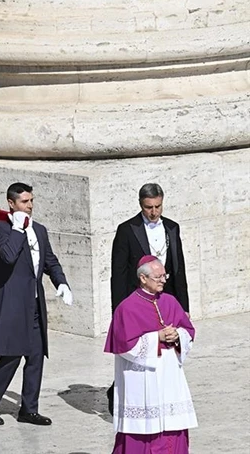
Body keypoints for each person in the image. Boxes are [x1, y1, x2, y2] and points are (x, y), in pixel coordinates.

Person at [0, 183, 73, 426]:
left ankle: (29, 409)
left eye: (31, 201)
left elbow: (50, 260)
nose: (29, 206)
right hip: (12, 303)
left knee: (36, 357)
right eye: (24, 202)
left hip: (34, 303)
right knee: (12, 355)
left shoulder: (39, 229)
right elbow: (7, 256)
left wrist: (61, 282)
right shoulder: (0, 228)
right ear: (11, 203)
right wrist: (18, 229)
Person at [108, 183, 189, 412]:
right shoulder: (127, 230)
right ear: (140, 205)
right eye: (148, 207)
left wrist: (184, 306)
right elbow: (118, 273)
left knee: (167, 347)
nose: (153, 212)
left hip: (166, 298)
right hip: (139, 300)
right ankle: (119, 391)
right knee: (141, 348)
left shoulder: (172, 227)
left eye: (157, 206)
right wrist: (119, 310)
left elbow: (179, 269)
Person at [106, 255, 197, 453]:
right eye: (158, 277)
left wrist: (177, 335)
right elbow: (125, 346)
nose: (163, 280)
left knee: (173, 424)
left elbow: (188, 330)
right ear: (143, 278)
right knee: (144, 429)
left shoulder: (170, 301)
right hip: (142, 378)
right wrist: (157, 337)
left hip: (170, 375)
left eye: (165, 275)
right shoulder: (126, 308)